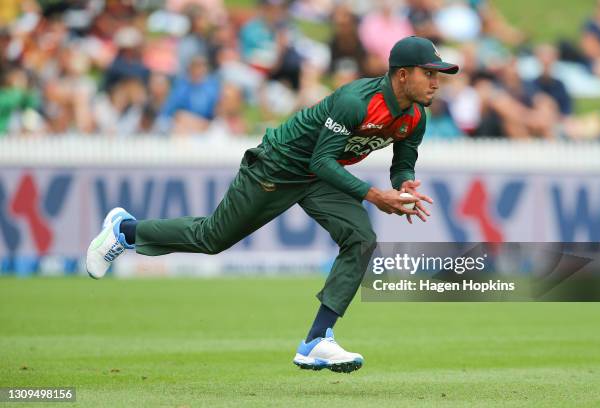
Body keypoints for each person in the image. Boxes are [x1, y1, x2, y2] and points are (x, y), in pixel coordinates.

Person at [86, 36, 458, 373]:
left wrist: (402, 183)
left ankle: (316, 341)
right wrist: (375, 195)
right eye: (429, 73)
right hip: (278, 165)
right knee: (212, 238)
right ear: (402, 75)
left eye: (438, 74)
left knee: (361, 238)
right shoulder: (354, 101)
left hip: (318, 177)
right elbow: (320, 161)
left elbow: (402, 161)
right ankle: (125, 231)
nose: (437, 81)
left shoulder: (416, 116)